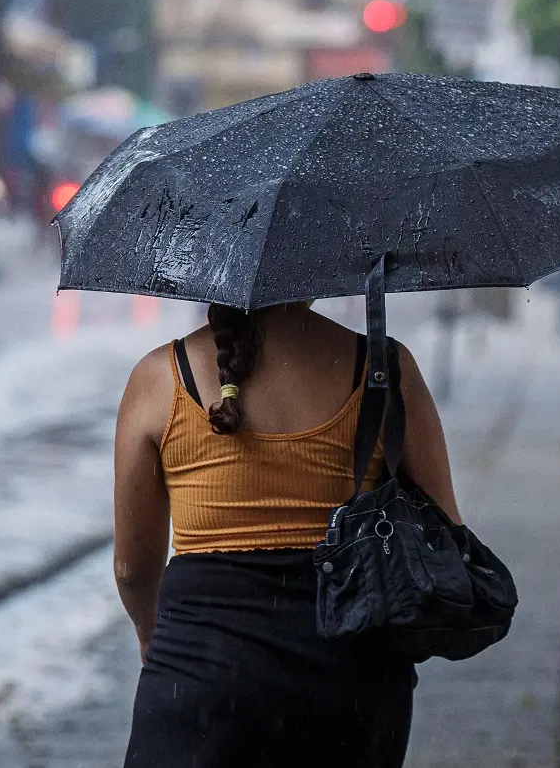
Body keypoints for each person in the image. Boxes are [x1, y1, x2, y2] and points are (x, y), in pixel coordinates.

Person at [113, 300, 462, 768]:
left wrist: (148, 634)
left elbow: (132, 568)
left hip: (200, 675)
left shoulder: (159, 378)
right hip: (352, 686)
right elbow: (448, 538)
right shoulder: (385, 368)